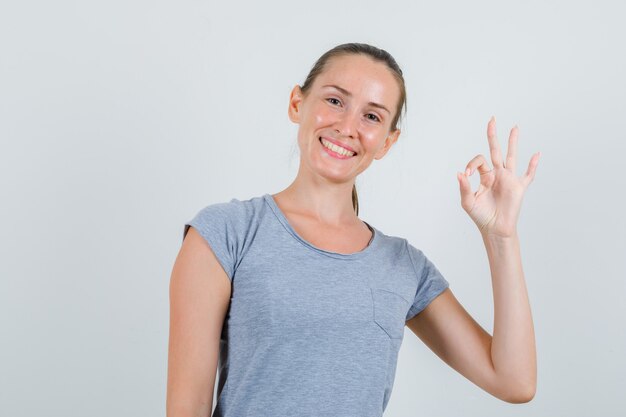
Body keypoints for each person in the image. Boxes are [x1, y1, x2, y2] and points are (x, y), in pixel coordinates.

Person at [166, 43, 540, 417]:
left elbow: (513, 382)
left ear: (387, 143)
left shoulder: (404, 266)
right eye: (334, 101)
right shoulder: (225, 234)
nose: (347, 127)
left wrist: (500, 237)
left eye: (372, 117)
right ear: (298, 104)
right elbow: (187, 409)